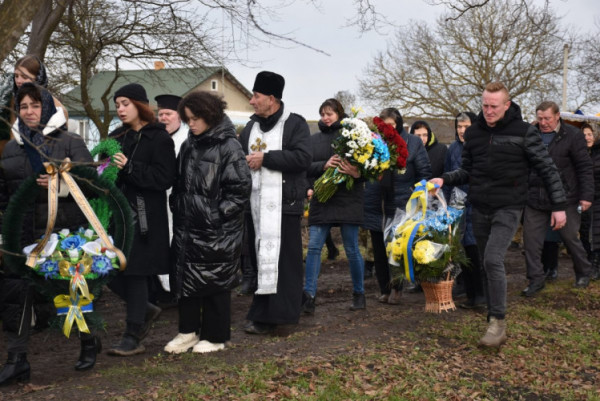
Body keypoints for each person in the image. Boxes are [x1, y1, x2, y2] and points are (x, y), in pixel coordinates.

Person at [430, 82, 566, 348]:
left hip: (510, 206)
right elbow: (466, 170)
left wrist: (559, 206)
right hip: (479, 206)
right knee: (484, 262)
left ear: (507, 105)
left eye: (494, 106)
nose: (489, 111)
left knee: (493, 259)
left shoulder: (525, 132)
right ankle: (493, 319)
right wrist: (443, 180)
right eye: (485, 105)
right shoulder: (475, 134)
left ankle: (497, 322)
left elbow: (548, 169)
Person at [0, 83, 94, 385]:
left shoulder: (69, 141)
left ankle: (88, 341)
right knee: (18, 296)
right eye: (24, 106)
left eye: (35, 105)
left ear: (48, 107)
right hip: (25, 235)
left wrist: (61, 183)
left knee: (71, 294)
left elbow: (92, 185)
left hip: (63, 233)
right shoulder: (12, 147)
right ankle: (17, 360)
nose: (29, 112)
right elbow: (5, 193)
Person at [164, 91, 251, 354]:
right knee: (186, 278)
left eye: (195, 118)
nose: (191, 124)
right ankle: (187, 332)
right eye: (188, 119)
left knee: (215, 281)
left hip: (217, 229)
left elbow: (240, 190)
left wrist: (214, 215)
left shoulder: (229, 146)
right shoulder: (189, 144)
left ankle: (216, 336)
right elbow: (179, 183)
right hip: (188, 225)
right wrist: (179, 207)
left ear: (210, 116)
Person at [239, 71, 311, 335]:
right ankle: (264, 312)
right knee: (261, 261)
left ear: (271, 98)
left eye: (256, 96)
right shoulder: (250, 126)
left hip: (285, 205)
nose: (251, 101)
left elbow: (303, 158)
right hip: (255, 206)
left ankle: (283, 316)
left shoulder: (295, 124)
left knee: (285, 262)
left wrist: (266, 158)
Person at [107, 83, 176, 355]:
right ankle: (145, 309)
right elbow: (105, 171)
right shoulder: (117, 137)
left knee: (135, 273)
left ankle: (133, 333)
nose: (120, 109)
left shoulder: (159, 138)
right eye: (117, 105)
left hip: (145, 218)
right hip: (118, 215)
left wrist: (130, 168)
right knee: (107, 269)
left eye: (125, 103)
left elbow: (164, 178)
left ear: (140, 105)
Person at [521, 101, 594, 297]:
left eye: (548, 118)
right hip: (535, 198)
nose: (543, 122)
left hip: (566, 198)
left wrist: (586, 196)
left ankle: (583, 271)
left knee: (570, 237)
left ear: (557, 116)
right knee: (531, 241)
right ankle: (536, 279)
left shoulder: (572, 135)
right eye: (540, 118)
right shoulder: (530, 134)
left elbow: (584, 168)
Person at [302, 98, 365, 313]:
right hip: (323, 198)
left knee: (352, 249)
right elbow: (304, 167)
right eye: (322, 114)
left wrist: (357, 173)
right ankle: (308, 296)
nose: (326, 117)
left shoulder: (354, 136)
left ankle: (359, 294)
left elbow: (368, 168)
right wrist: (324, 166)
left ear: (339, 114)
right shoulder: (312, 140)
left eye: (329, 113)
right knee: (313, 248)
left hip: (349, 198)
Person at [363, 108, 431, 305]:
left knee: (396, 248)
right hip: (376, 201)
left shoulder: (413, 142)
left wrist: (419, 194)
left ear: (399, 124)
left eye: (392, 124)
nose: (388, 129)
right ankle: (384, 288)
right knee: (378, 248)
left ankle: (397, 288)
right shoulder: (373, 142)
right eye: (385, 125)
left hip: (402, 201)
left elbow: (423, 171)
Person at [443, 111, 485, 309]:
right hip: (457, 207)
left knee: (476, 254)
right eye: (459, 127)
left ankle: (481, 296)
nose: (462, 131)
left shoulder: (481, 147)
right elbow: (448, 177)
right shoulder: (452, 149)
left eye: (466, 127)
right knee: (464, 254)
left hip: (476, 206)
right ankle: (470, 295)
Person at [150, 94, 188, 307]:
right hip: (158, 201)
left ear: (179, 117)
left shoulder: (186, 139)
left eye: (168, 114)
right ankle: (162, 290)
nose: (163, 118)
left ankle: (177, 289)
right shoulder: (155, 137)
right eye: (160, 113)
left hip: (179, 202)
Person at [11, 55, 68, 124]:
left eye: (24, 77)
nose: (18, 81)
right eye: (16, 76)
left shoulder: (57, 108)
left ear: (37, 78)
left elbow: (61, 134)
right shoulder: (12, 102)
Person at [579, 122, 600, 280]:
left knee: (596, 233)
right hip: (584, 198)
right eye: (584, 135)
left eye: (589, 134)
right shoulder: (579, 153)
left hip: (597, 198)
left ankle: (596, 265)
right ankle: (588, 263)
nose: (587, 137)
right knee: (584, 232)